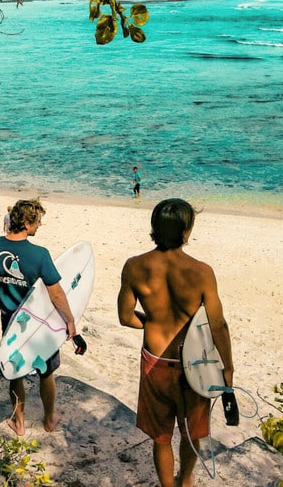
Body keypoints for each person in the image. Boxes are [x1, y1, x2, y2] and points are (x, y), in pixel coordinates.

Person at [117, 198, 235, 487]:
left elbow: (125, 317)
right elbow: (218, 324)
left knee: (161, 436)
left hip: (155, 361)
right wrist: (228, 368)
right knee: (191, 431)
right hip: (194, 364)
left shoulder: (134, 266)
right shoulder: (201, 272)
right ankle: (186, 480)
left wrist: (153, 322)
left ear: (155, 228)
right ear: (186, 232)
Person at [0, 199, 77, 435]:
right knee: (46, 372)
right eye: (37, 222)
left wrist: (2, 302)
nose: (40, 225)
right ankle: (48, 419)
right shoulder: (39, 254)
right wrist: (70, 320)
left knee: (15, 371)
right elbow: (56, 293)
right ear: (26, 223)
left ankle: (19, 422)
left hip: (10, 321)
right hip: (40, 325)